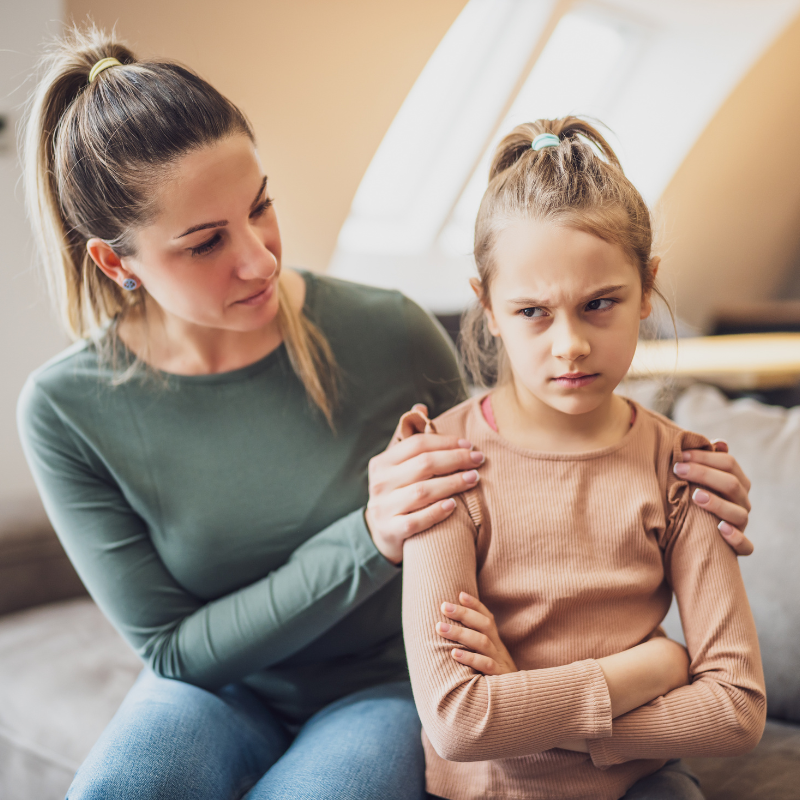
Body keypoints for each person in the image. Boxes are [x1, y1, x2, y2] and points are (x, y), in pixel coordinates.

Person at [16, 26, 753, 800]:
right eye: (205, 243)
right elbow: (173, 650)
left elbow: (527, 464)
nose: (260, 258)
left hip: (386, 685)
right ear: (115, 261)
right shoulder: (66, 410)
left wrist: (681, 484)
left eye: (261, 206)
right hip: (212, 692)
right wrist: (369, 536)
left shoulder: (386, 330)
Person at [400, 119, 766, 800]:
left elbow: (736, 708)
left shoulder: (683, 469)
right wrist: (657, 667)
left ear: (647, 288)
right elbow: (460, 723)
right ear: (487, 308)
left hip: (642, 786)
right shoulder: (442, 464)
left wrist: (529, 701)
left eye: (599, 304)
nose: (570, 344)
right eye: (532, 312)